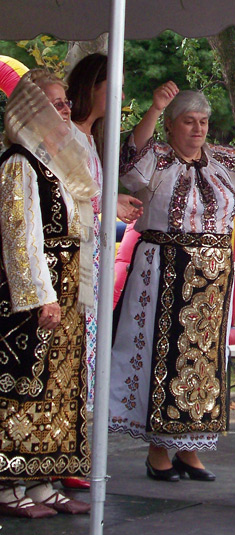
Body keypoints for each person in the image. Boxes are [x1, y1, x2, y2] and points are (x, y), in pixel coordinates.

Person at [109, 81, 235, 482]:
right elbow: (129, 163)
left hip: (210, 280)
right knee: (161, 356)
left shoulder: (221, 159)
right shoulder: (157, 157)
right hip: (163, 273)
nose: (198, 129)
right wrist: (153, 108)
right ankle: (158, 451)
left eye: (203, 121)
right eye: (189, 121)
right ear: (171, 126)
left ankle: (189, 446)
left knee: (201, 362)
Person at [0, 69, 97, 517]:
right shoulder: (19, 161)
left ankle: (40, 480)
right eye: (55, 104)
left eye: (65, 103)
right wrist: (42, 295)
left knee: (56, 389)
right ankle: (6, 485)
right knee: (23, 386)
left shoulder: (57, 166)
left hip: (65, 287)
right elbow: (20, 235)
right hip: (34, 295)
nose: (64, 110)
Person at [66, 53, 143, 415]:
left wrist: (113, 201)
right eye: (113, 87)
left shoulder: (91, 138)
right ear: (91, 87)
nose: (118, 96)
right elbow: (69, 191)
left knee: (89, 342)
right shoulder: (66, 136)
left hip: (94, 251)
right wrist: (108, 202)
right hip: (74, 253)